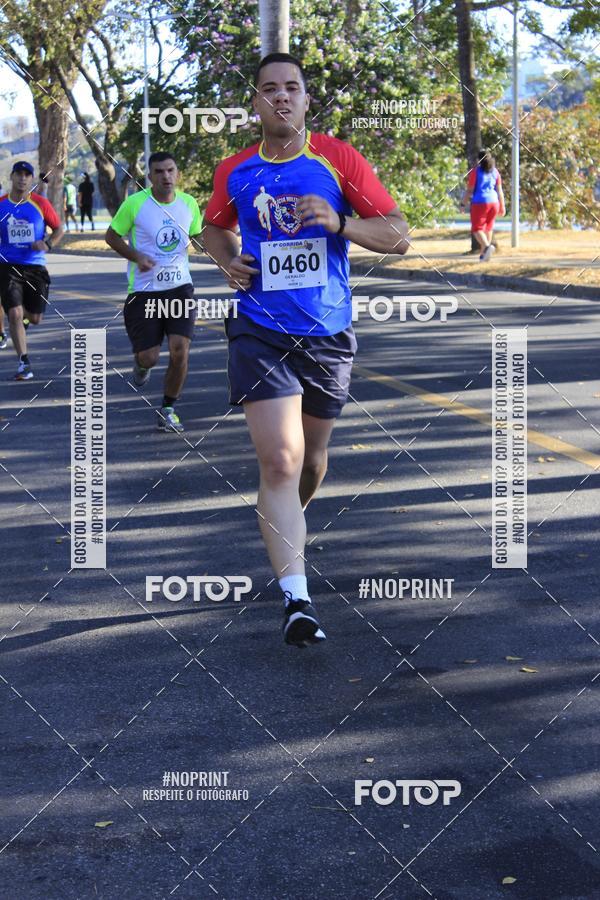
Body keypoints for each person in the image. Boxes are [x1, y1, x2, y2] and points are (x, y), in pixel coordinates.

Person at [203, 52, 409, 647]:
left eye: (292, 87)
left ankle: (285, 522)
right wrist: (225, 257)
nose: (281, 98)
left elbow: (397, 235)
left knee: (311, 463)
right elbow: (214, 226)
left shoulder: (337, 158)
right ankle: (297, 600)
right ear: (255, 102)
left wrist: (341, 223)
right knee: (281, 462)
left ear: (306, 99)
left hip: (326, 331)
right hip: (258, 327)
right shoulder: (235, 170)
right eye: (269, 89)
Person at [105, 152, 203, 432]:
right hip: (144, 291)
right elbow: (111, 236)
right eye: (159, 172)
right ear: (150, 177)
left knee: (179, 349)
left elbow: (195, 235)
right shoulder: (135, 204)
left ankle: (168, 408)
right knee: (149, 356)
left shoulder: (189, 204)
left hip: (179, 289)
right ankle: (142, 366)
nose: (166, 176)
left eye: (170, 170)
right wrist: (136, 256)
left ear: (178, 173)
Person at [0, 160, 64, 379]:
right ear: (12, 177)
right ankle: (23, 362)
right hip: (8, 266)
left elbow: (58, 228)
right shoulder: (1, 204)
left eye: (27, 175)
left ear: (31, 179)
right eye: (19, 174)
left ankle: (24, 322)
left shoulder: (40, 203)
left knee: (35, 318)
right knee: (15, 313)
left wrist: (47, 244)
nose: (23, 178)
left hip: (35, 267)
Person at [460, 149, 505, 261]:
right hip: (494, 203)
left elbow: (469, 190)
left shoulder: (475, 172)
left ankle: (486, 247)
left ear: (478, 160)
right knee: (488, 228)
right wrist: (502, 206)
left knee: (477, 229)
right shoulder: (495, 172)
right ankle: (483, 255)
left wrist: (462, 204)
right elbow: (499, 191)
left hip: (480, 202)